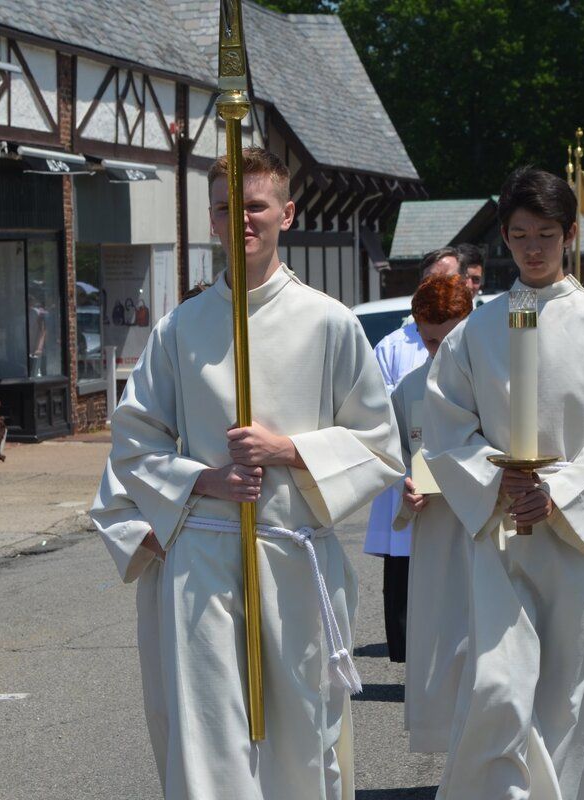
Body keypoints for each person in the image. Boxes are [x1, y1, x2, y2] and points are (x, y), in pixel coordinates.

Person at [90, 147, 403, 800]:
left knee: (301, 743)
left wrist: (287, 449)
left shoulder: (330, 323)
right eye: (226, 207)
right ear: (211, 218)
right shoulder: (181, 329)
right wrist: (204, 480)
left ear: (286, 213)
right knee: (210, 742)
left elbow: (379, 447)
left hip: (293, 560)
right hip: (205, 561)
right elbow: (134, 441)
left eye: (255, 205)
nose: (241, 220)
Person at [423, 166, 584, 799]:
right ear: (503, 236)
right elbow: (444, 426)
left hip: (582, 539)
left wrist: (558, 490)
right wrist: (496, 485)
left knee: (575, 698)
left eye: (546, 235)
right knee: (500, 688)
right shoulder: (477, 328)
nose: (532, 248)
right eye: (520, 234)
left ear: (570, 235)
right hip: (501, 537)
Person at [385, 274, 475, 753]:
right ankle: (457, 757)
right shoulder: (410, 388)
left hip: (487, 529)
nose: (440, 350)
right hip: (437, 534)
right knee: (443, 645)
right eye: (429, 339)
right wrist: (406, 493)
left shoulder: (498, 381)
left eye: (450, 338)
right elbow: (398, 459)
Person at [363, 245, 461, 662]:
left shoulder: (495, 372)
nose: (439, 350)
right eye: (431, 341)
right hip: (427, 507)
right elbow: (393, 437)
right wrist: (408, 479)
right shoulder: (404, 370)